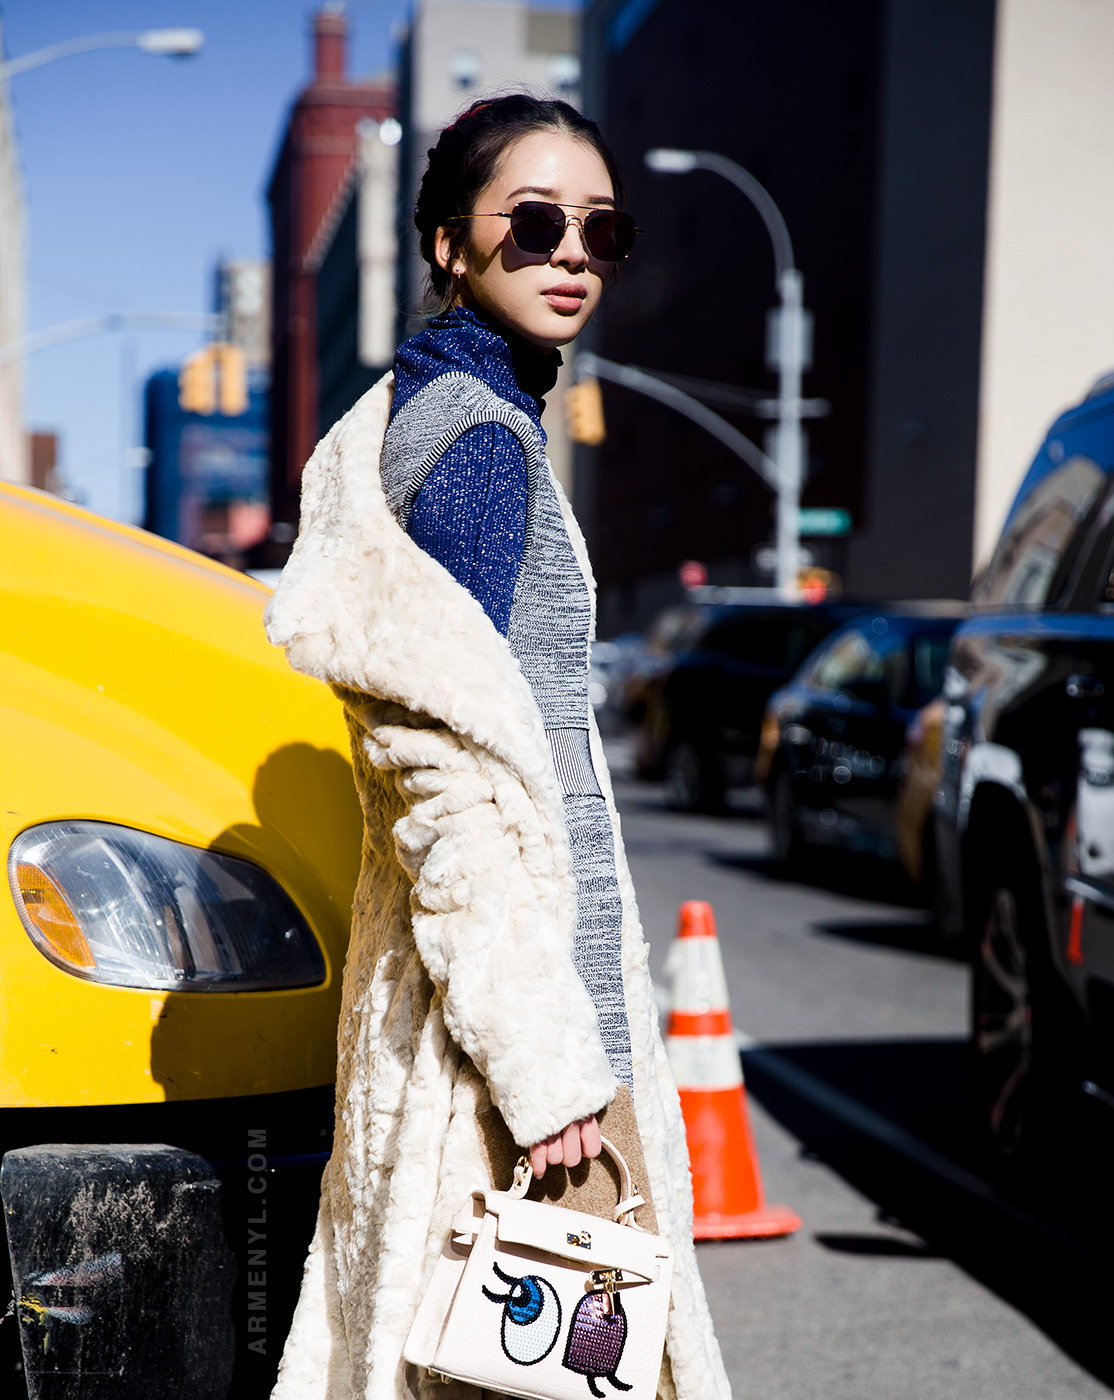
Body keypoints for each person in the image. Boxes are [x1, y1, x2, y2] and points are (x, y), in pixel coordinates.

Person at [265, 94, 730, 1400]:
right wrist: (546, 1072)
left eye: (599, 228)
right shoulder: (472, 446)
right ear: (446, 247)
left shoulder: (435, 417)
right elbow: (451, 791)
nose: (570, 252)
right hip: (527, 1030)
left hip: (485, 1001)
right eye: (530, 223)